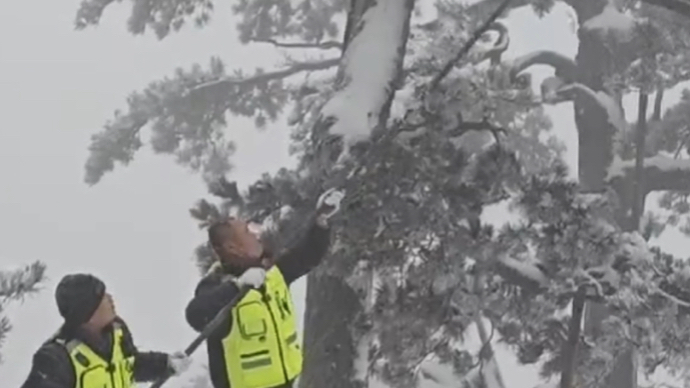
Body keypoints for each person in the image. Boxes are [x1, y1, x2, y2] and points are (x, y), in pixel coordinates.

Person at [185, 188, 345, 388]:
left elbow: (307, 255)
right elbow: (196, 314)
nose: (256, 232)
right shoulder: (216, 286)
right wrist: (237, 286)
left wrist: (320, 219)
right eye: (246, 231)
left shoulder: (270, 274)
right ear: (233, 248)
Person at [21, 273, 192, 388]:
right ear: (88, 311)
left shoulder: (117, 332)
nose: (110, 299)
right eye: (102, 297)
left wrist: (165, 363)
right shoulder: (55, 359)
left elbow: (131, 364)